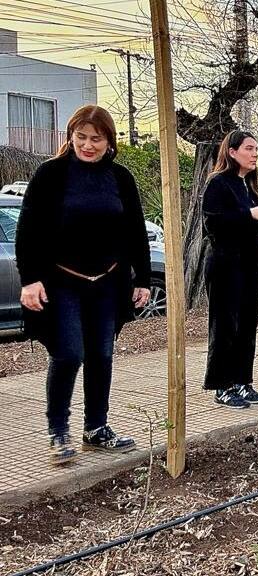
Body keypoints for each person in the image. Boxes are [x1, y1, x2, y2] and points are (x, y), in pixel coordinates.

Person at [15, 105, 151, 464]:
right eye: (81, 137)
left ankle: (96, 428)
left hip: (108, 282)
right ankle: (58, 430)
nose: (88, 145)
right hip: (62, 282)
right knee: (69, 353)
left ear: (109, 141)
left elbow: (135, 228)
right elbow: (27, 231)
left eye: (96, 138)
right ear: (70, 136)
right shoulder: (51, 174)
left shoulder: (120, 177)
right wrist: (30, 280)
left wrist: (143, 277)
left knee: (102, 354)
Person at [201, 130, 258, 409]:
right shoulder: (218, 183)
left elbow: (254, 227)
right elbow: (214, 224)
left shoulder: (251, 186)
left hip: (249, 264)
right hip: (224, 265)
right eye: (249, 148)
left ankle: (243, 381)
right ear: (232, 152)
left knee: (247, 324)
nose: (254, 153)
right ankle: (222, 385)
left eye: (256, 148)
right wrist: (250, 214)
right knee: (225, 326)